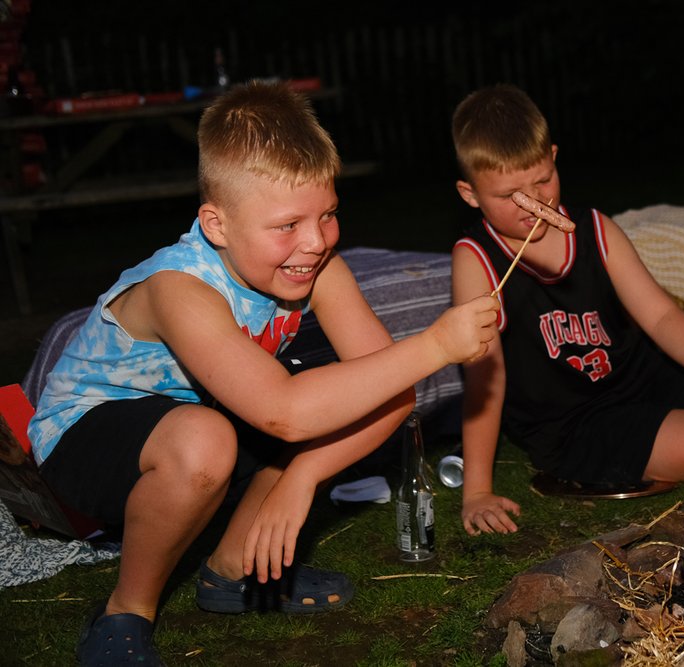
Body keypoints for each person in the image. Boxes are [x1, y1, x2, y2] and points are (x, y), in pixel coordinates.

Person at [27, 81, 499, 666]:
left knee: (347, 387)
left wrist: (303, 477)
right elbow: (285, 411)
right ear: (217, 224)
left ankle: (232, 571)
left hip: (204, 414)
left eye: (327, 215)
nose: (314, 242)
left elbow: (393, 393)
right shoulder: (181, 288)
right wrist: (434, 344)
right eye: (287, 225)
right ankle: (127, 610)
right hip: (86, 436)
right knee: (212, 436)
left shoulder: (320, 266)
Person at [449, 84, 684, 536]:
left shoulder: (596, 228)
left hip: (634, 376)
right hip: (570, 419)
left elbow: (661, 316)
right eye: (510, 195)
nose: (535, 202)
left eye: (543, 180)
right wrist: (476, 490)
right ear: (470, 193)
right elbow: (484, 375)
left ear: (554, 156)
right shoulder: (476, 259)